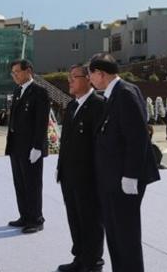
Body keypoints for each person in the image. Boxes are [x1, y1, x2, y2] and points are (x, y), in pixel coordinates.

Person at [88, 53, 160, 272]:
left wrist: (131, 175)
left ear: (100, 74)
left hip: (124, 179)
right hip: (112, 178)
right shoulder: (114, 94)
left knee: (126, 236)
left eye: (91, 73)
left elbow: (137, 137)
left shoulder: (125, 93)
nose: (90, 78)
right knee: (115, 234)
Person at [56, 64, 105, 272]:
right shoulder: (72, 106)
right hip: (69, 175)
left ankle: (93, 262)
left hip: (89, 177)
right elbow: (65, 142)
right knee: (74, 218)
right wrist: (60, 169)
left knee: (91, 220)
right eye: (69, 77)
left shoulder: (99, 105)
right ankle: (80, 258)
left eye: (73, 77)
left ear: (88, 79)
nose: (70, 81)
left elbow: (100, 145)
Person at [5, 59, 50, 234]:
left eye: (17, 72)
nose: (14, 75)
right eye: (12, 73)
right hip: (16, 146)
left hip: (31, 148)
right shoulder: (18, 91)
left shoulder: (39, 92)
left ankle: (36, 219)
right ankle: (24, 215)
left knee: (32, 183)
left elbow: (41, 122)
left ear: (28, 71)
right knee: (20, 183)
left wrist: (38, 147)